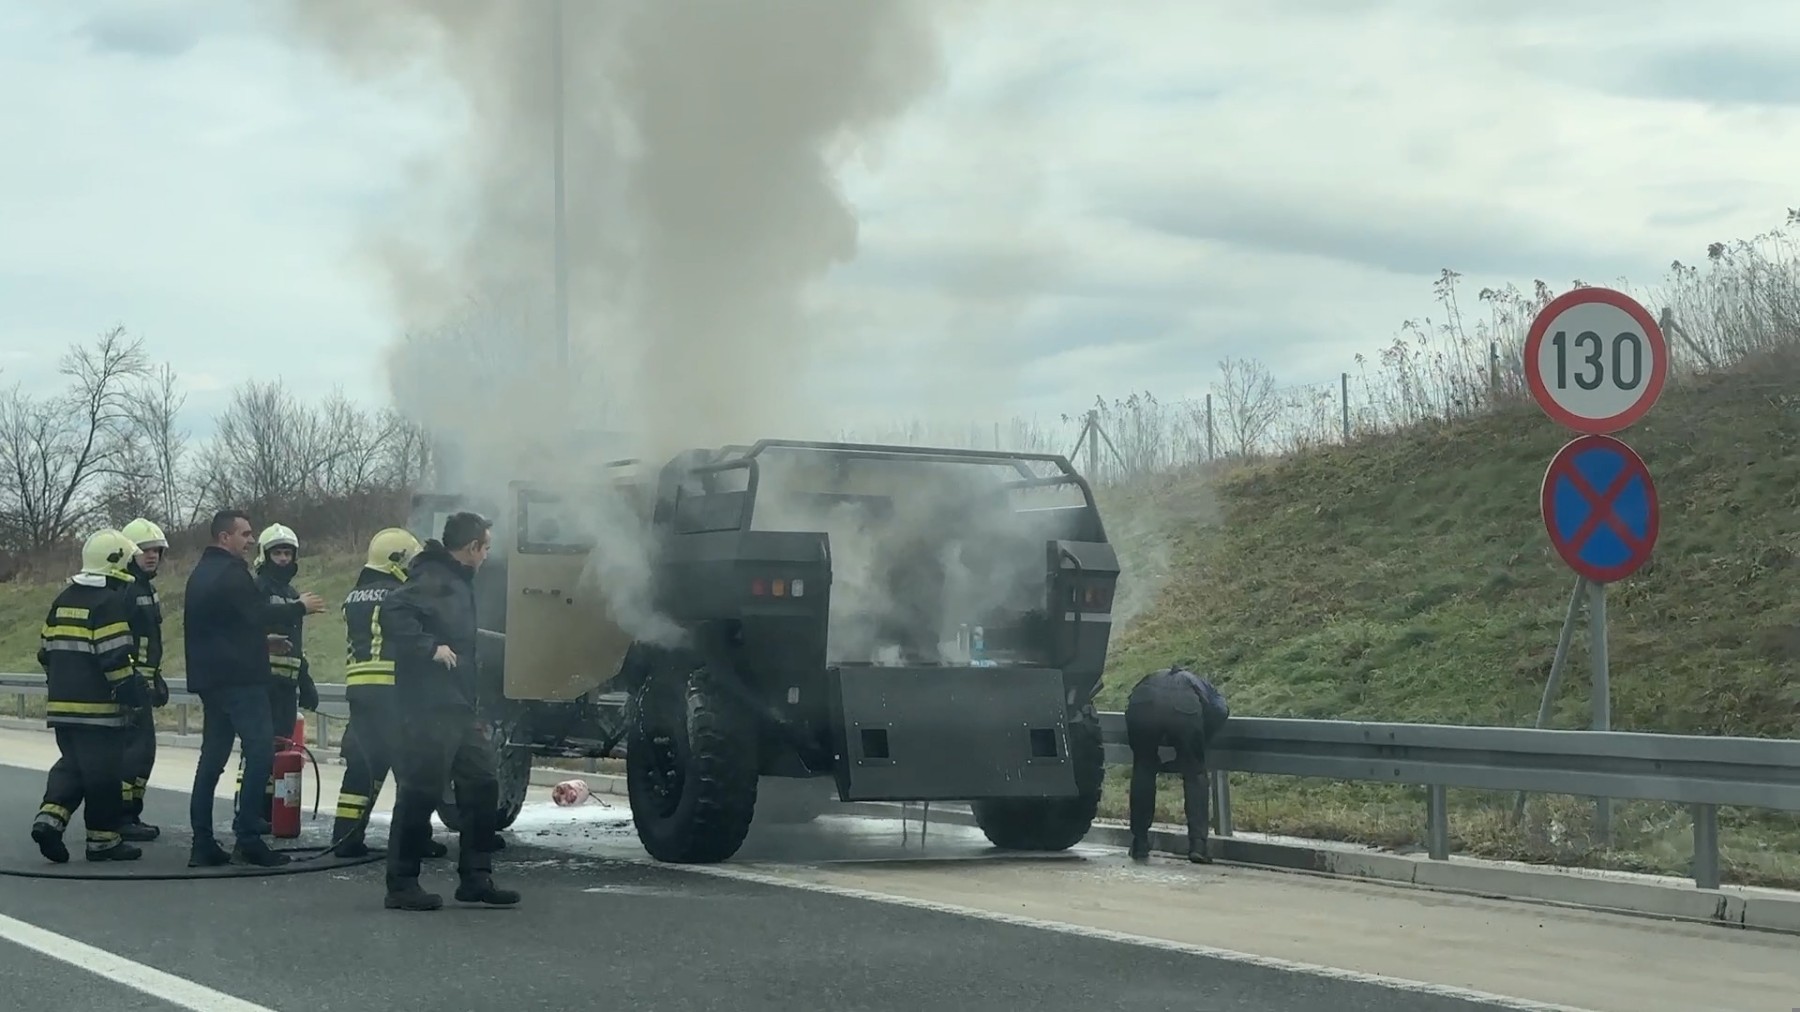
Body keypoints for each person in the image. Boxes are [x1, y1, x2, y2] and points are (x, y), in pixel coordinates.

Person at [381, 511, 518, 911]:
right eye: (486, 547)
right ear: (471, 547)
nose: (488, 555)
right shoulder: (435, 579)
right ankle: (402, 883)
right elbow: (393, 611)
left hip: (459, 706)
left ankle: (476, 878)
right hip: (429, 707)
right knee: (421, 791)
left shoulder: (457, 582)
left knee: (482, 784)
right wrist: (429, 648)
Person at [184, 509, 324, 868]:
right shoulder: (233, 573)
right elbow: (257, 613)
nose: (250, 540)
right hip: (240, 681)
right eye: (244, 534)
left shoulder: (201, 573)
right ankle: (248, 837)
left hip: (211, 679)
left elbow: (227, 627)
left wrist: (264, 644)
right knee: (261, 752)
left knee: (212, 759)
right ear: (224, 537)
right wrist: (300, 608)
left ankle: (202, 843)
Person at [29, 529, 150, 864]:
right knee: (104, 775)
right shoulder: (108, 603)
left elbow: (45, 652)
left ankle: (50, 819)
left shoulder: (63, 599)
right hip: (99, 709)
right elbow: (114, 657)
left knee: (74, 766)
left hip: (62, 707)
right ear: (117, 562)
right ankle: (103, 842)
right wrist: (133, 695)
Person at [329, 526, 445, 860]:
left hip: (360, 689)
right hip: (393, 688)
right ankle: (415, 838)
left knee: (364, 765)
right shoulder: (401, 595)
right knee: (413, 768)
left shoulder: (354, 595)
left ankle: (346, 838)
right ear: (396, 560)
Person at [232, 523, 322, 823]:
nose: (283, 559)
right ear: (265, 555)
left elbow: (296, 646)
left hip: (286, 688)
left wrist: (305, 680)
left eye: (287, 553)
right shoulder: (257, 589)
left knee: (280, 750)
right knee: (258, 751)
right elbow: (249, 629)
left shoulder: (293, 593)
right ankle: (248, 809)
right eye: (277, 553)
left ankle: (271, 811)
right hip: (262, 684)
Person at [1123, 662, 1231, 864]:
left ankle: (1139, 842)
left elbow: (1130, 706)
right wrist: (1198, 743)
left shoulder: (1150, 677)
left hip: (1142, 705)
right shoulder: (1199, 684)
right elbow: (1220, 711)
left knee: (1143, 769)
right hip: (1184, 710)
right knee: (1195, 773)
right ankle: (1198, 845)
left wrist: (1148, 747)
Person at [117, 517, 171, 843]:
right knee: (133, 754)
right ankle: (123, 816)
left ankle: (131, 813)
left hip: (144, 686)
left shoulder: (147, 589)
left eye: (156, 551)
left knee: (144, 753)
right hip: (128, 688)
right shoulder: (125, 589)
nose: (152, 556)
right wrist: (132, 680)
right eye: (145, 551)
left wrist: (156, 677)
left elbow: (149, 641)